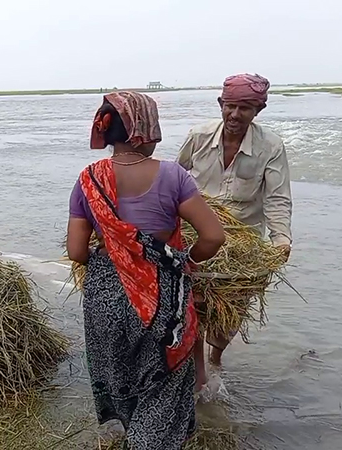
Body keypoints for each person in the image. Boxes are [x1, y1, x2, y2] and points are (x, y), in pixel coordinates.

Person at [66, 92, 225, 449]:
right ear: (144, 130)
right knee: (164, 386)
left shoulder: (88, 179)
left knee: (121, 374)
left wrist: (114, 257)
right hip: (159, 299)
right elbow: (214, 236)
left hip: (105, 299)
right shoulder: (172, 175)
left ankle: (133, 432)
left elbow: (76, 251)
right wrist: (185, 261)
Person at [176, 73, 293, 369]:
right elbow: (173, 177)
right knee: (194, 301)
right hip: (198, 232)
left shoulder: (271, 146)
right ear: (220, 104)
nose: (235, 114)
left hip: (243, 237)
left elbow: (277, 198)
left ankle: (215, 360)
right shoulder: (199, 137)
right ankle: (197, 366)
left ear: (258, 110)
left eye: (245, 108)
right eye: (230, 106)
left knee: (234, 306)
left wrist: (281, 238)